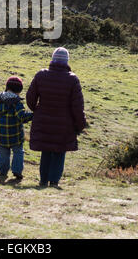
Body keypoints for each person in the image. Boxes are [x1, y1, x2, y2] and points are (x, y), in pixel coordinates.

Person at [26, 47, 86, 188]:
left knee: (46, 151)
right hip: (64, 124)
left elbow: (30, 98)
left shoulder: (41, 75)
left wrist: (38, 110)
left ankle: (43, 180)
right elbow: (78, 106)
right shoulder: (72, 79)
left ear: (53, 59)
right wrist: (80, 125)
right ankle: (54, 181)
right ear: (66, 62)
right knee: (59, 152)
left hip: (43, 121)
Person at [0, 76, 33, 182]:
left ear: (7, 87)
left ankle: (3, 172)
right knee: (18, 152)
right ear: (19, 90)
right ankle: (17, 171)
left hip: (0, 135)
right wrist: (33, 115)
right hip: (15, 135)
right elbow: (22, 116)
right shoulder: (16, 103)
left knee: (3, 153)